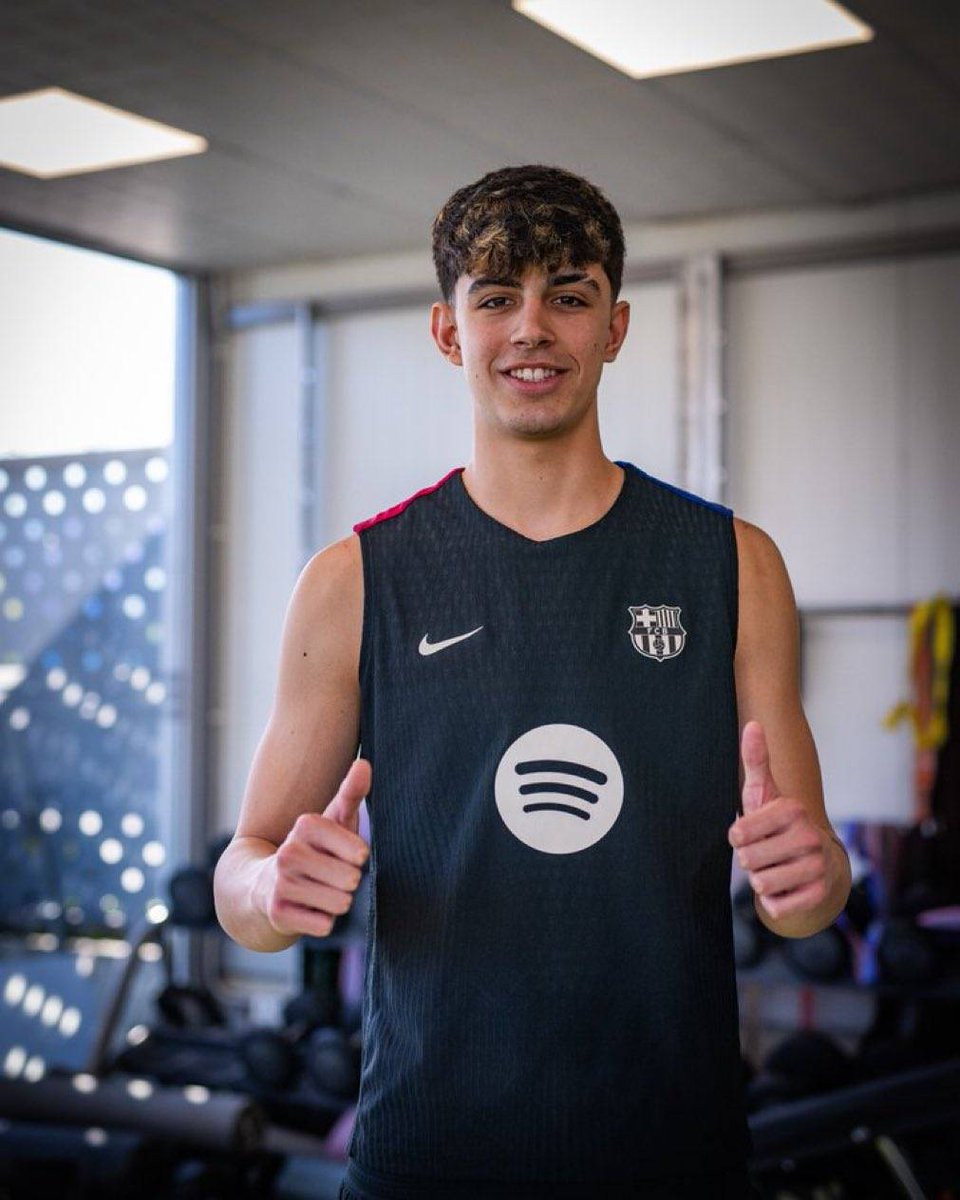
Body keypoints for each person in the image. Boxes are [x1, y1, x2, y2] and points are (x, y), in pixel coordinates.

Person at [214, 165, 853, 1199]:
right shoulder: (354, 581)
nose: (531, 329)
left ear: (616, 326)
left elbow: (805, 900)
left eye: (568, 295)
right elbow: (243, 880)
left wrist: (815, 881)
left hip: (671, 1155)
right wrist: (268, 888)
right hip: (427, 1156)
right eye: (496, 298)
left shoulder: (734, 565)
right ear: (447, 331)